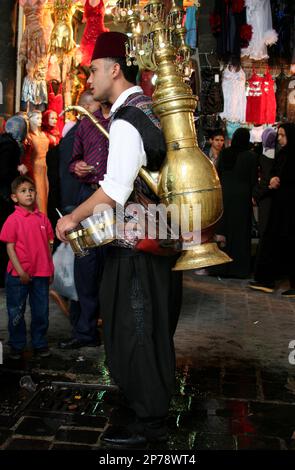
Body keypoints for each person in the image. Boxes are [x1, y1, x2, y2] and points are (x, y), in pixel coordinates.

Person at [56, 31, 182, 445]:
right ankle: (147, 406)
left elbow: (114, 191)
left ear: (114, 69)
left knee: (135, 327)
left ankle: (150, 424)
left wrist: (72, 216)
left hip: (137, 246)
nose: (89, 79)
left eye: (93, 70)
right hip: (156, 238)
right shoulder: (147, 109)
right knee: (145, 325)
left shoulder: (128, 121)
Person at [58, 90, 111, 349]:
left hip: (112, 202)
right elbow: (72, 161)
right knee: (85, 265)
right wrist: (77, 166)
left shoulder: (118, 123)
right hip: (85, 197)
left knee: (111, 266)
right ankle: (86, 332)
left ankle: (113, 331)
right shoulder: (84, 127)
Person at [0, 175, 54, 360]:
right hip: (18, 276)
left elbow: (48, 244)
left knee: (41, 311)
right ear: (15, 197)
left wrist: (50, 268)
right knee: (16, 311)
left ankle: (39, 343)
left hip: (41, 274)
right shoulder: (13, 220)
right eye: (23, 191)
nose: (28, 194)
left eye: (31, 190)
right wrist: (21, 271)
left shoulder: (43, 219)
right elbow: (10, 247)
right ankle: (17, 344)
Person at [249, 122, 295, 297]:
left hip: (288, 208)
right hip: (282, 206)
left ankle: (268, 280)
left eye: (283, 135)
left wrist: (278, 180)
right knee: (275, 241)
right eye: (279, 135)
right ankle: (266, 279)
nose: (280, 139)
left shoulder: (289, 155)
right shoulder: (283, 154)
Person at [211, 127, 258, 278]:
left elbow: (217, 174)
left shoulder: (225, 153)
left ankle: (220, 268)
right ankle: (239, 269)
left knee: (224, 230)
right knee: (240, 233)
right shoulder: (250, 156)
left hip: (225, 195)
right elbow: (252, 180)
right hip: (242, 198)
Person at [0, 116, 28, 287]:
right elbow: (3, 172)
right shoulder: (9, 146)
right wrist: (18, 171)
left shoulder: (7, 143)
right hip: (3, 199)